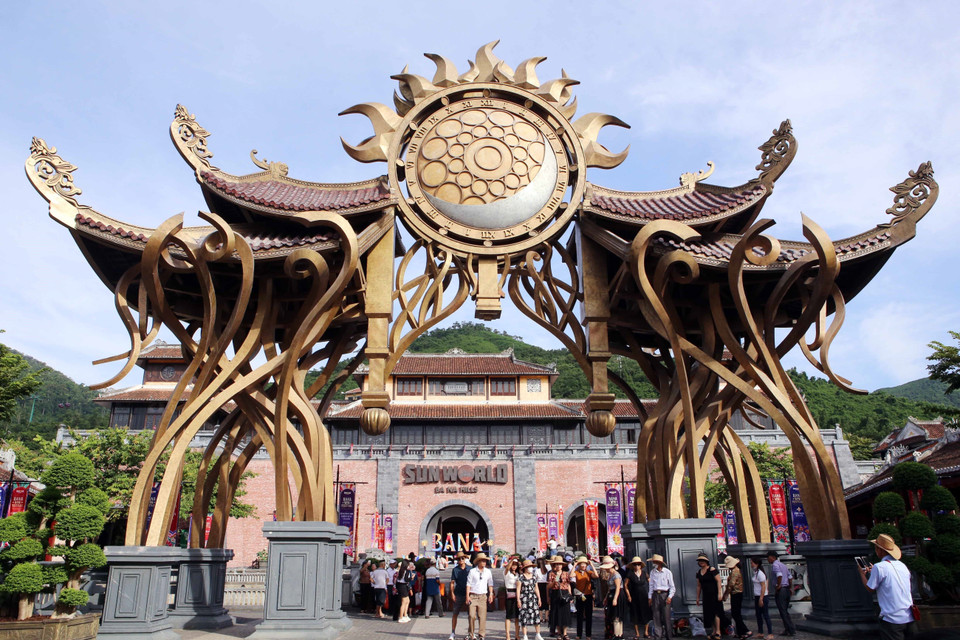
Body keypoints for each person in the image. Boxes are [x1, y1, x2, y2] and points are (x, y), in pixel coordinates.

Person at [859, 533, 917, 640]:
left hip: (892, 619)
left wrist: (862, 574)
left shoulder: (879, 567)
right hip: (909, 616)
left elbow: (870, 588)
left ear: (880, 550)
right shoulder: (902, 565)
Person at [694, 554, 723, 640]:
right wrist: (698, 597)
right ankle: (714, 631)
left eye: (703, 560)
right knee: (709, 613)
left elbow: (718, 581)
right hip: (706, 595)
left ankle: (718, 631)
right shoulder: (699, 572)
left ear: (706, 561)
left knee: (716, 612)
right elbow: (698, 586)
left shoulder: (712, 570)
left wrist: (719, 593)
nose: (701, 562)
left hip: (714, 594)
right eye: (699, 561)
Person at [766, 552, 795, 636]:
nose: (768, 559)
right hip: (786, 590)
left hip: (781, 590)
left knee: (782, 611)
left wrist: (778, 585)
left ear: (772, 557)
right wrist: (790, 587)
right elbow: (790, 577)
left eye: (768, 557)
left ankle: (790, 629)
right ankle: (789, 628)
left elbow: (779, 575)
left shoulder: (775, 565)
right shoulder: (783, 565)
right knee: (785, 610)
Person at [467, 552, 495, 640]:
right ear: (478, 562)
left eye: (485, 561)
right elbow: (468, 584)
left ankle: (481, 634)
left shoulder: (488, 572)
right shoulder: (472, 571)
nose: (484, 563)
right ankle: (471, 633)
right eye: (482, 561)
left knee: (482, 616)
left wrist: (491, 594)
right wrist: (467, 596)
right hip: (473, 595)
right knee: (472, 615)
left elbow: (490, 583)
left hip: (483, 596)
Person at [646, 554, 675, 640]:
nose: (653, 563)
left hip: (664, 594)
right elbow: (651, 586)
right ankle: (657, 637)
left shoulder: (667, 572)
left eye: (655, 562)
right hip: (655, 595)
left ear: (659, 563)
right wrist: (650, 597)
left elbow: (672, 587)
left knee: (666, 617)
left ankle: (668, 637)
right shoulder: (652, 572)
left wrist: (669, 597)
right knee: (656, 617)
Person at [721, 556, 749, 638]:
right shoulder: (734, 570)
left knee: (736, 613)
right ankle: (740, 632)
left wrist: (726, 593)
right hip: (736, 593)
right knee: (736, 613)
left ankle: (744, 630)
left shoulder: (735, 571)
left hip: (736, 593)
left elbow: (731, 584)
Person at [625, 557, 653, 639]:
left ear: (640, 566)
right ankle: (637, 633)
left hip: (644, 595)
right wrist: (629, 595)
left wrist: (650, 594)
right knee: (635, 613)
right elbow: (625, 585)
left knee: (646, 613)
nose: (637, 566)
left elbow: (650, 582)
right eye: (635, 565)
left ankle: (646, 632)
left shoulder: (644, 573)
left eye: (638, 564)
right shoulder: (630, 574)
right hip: (634, 596)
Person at [572, 556, 599, 639]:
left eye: (585, 565)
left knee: (588, 615)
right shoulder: (576, 572)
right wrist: (574, 565)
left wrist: (592, 565)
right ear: (579, 565)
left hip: (588, 595)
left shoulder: (589, 572)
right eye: (582, 565)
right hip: (579, 595)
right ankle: (579, 634)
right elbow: (571, 575)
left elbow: (596, 576)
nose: (583, 566)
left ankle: (588, 634)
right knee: (579, 615)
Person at [547, 555, 573, 640]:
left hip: (565, 593)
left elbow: (568, 584)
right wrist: (554, 582)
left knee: (565, 613)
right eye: (557, 564)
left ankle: (565, 633)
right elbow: (549, 586)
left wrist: (570, 595)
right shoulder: (552, 574)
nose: (558, 566)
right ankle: (559, 632)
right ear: (554, 565)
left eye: (560, 564)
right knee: (556, 613)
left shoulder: (565, 573)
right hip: (556, 593)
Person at [600, 557, 627, 640]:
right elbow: (609, 588)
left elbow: (618, 587)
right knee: (613, 615)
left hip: (618, 594)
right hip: (611, 594)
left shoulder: (616, 575)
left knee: (617, 615)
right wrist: (606, 597)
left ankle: (618, 634)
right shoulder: (610, 575)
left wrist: (615, 598)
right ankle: (616, 634)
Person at [519, 559, 545, 640]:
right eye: (528, 567)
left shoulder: (534, 576)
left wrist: (539, 598)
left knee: (536, 615)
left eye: (531, 566)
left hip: (533, 597)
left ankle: (538, 634)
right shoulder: (521, 577)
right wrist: (518, 600)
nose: (530, 568)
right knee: (524, 616)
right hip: (524, 597)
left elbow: (536, 588)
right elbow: (518, 589)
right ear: (525, 568)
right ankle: (525, 635)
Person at [750, 557, 773, 640]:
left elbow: (763, 586)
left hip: (762, 596)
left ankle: (770, 633)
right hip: (757, 595)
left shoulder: (760, 573)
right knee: (758, 615)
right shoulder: (756, 572)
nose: (751, 564)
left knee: (765, 614)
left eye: (752, 563)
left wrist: (761, 598)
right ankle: (760, 632)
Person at [450, 552, 471, 640]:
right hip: (458, 593)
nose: (461, 560)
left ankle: (470, 632)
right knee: (455, 613)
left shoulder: (470, 569)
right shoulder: (455, 570)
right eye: (459, 559)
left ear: (465, 559)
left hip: (469, 594)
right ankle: (453, 632)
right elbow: (452, 582)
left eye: (462, 558)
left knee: (471, 614)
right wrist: (452, 593)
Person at [504, 557, 521, 640]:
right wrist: (512, 560)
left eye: (515, 565)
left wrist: (519, 564)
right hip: (509, 594)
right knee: (509, 616)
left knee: (517, 616)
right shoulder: (507, 573)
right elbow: (507, 568)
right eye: (513, 565)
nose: (514, 567)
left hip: (517, 594)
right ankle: (508, 635)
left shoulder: (518, 574)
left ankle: (517, 634)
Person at [396, 558, 414, 623]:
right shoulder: (406, 571)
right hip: (403, 586)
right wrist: (411, 578)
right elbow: (406, 579)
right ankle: (401, 617)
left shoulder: (401, 570)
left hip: (401, 586)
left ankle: (405, 615)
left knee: (407, 601)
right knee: (404, 602)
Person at [536, 557, 550, 624]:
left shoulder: (537, 570)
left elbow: (535, 578)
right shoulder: (547, 569)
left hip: (539, 585)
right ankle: (546, 617)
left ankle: (541, 617)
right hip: (546, 584)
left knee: (540, 600)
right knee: (546, 601)